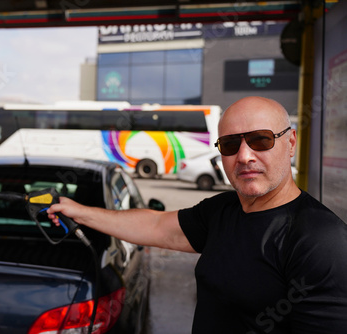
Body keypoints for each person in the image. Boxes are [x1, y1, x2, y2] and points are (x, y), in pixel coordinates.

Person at [47, 96, 347, 333]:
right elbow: (156, 225)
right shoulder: (223, 210)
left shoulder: (321, 240)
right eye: (230, 144)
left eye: (260, 139)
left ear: (290, 142)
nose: (244, 156)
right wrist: (78, 211)